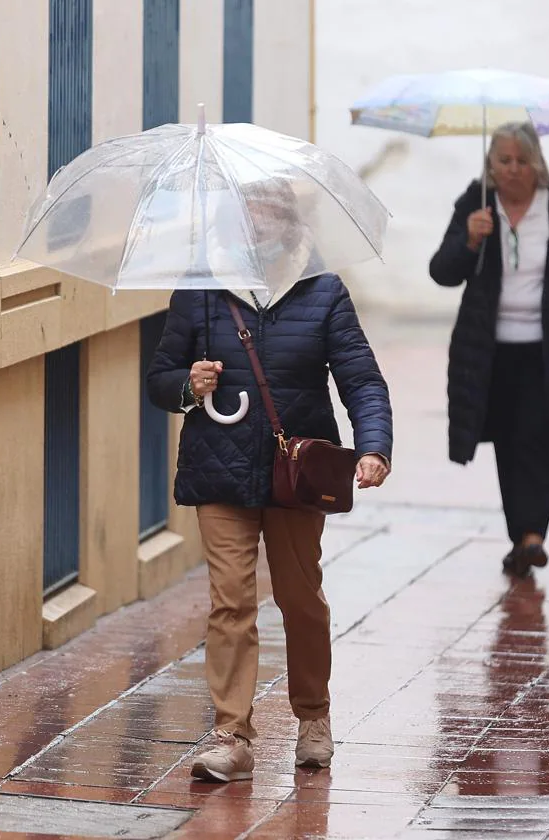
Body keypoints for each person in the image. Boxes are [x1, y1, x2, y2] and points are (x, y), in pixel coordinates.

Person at [146, 265, 392, 780]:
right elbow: (159, 379)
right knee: (231, 599)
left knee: (299, 599)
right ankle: (231, 734)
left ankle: (313, 715)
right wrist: (187, 385)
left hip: (296, 476)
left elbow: (360, 377)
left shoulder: (323, 292)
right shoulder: (201, 292)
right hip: (217, 468)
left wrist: (373, 446)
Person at [429, 122, 549, 578]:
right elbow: (442, 271)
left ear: (536, 163)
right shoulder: (475, 204)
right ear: (491, 164)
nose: (513, 170)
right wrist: (469, 240)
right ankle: (521, 536)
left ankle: (533, 535)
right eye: (504, 161)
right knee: (506, 441)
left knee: (541, 441)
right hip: (489, 353)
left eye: (522, 161)